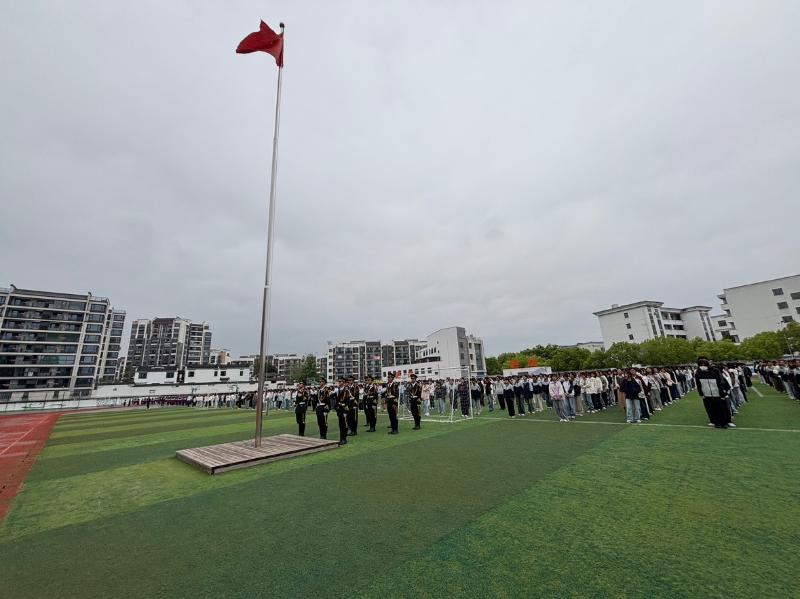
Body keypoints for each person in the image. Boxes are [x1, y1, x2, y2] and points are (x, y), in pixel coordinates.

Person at [695, 357, 733, 428]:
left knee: (721, 409)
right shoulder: (698, 373)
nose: (703, 366)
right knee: (711, 409)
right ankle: (716, 423)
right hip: (707, 394)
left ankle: (724, 423)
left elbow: (720, 382)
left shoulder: (714, 371)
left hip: (717, 393)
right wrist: (701, 394)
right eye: (701, 365)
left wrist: (722, 394)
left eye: (704, 365)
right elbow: (698, 384)